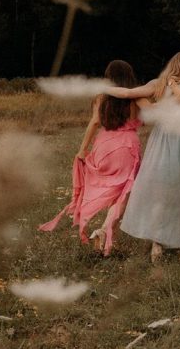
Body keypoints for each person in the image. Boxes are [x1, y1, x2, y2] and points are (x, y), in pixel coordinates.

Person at [39, 60, 147, 256]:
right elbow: (147, 117)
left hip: (104, 145)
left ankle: (105, 232)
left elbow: (95, 122)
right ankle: (105, 230)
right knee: (124, 192)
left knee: (107, 187)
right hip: (126, 146)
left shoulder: (101, 97)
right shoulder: (135, 97)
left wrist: (82, 150)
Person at [107, 52, 180, 262]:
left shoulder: (159, 84)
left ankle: (162, 241)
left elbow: (126, 93)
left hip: (164, 140)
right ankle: (169, 240)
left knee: (161, 189)